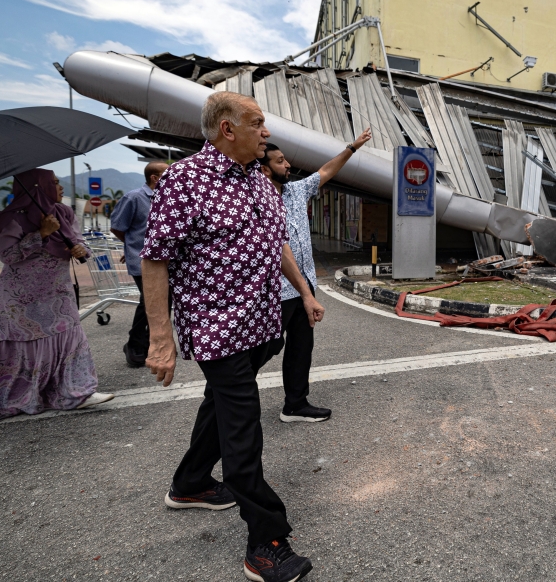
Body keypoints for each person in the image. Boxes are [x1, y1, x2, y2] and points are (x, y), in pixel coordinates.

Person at [141, 91, 322, 582]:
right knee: (242, 426)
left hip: (260, 326)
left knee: (219, 406)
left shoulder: (259, 182)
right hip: (216, 330)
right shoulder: (184, 182)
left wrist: (303, 292)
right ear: (227, 128)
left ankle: (190, 483)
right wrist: (161, 340)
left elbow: (275, 242)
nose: (266, 132)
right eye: (258, 123)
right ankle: (265, 542)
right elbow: (154, 259)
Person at [0, 169, 113, 425]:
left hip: (57, 296)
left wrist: (81, 247)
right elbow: (9, 256)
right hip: (20, 302)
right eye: (55, 183)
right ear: (38, 187)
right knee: (20, 350)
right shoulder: (10, 220)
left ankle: (77, 392)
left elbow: (78, 240)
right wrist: (41, 234)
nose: (60, 188)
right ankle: (3, 398)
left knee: (71, 340)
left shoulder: (63, 213)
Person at [257, 128, 370, 423]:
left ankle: (294, 404)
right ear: (264, 170)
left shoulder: (295, 190)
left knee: (301, 348)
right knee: (263, 348)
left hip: (304, 285)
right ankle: (229, 397)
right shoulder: (255, 201)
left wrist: (352, 147)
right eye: (280, 162)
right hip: (275, 289)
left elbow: (325, 171)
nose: (288, 165)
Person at [110, 161, 169, 368]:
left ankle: (153, 343)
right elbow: (118, 227)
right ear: (155, 177)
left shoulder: (168, 199)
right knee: (149, 303)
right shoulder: (134, 198)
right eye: (167, 173)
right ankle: (134, 344)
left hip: (165, 261)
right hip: (142, 261)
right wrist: (131, 247)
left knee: (163, 303)